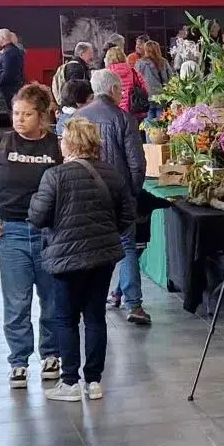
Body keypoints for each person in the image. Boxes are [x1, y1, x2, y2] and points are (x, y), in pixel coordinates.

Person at [27, 117, 135, 403]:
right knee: (95, 317)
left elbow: (37, 217)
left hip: (65, 259)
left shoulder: (55, 176)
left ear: (70, 143)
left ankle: (70, 381)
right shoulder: (113, 174)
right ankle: (95, 381)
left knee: (66, 319)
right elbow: (127, 216)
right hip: (103, 256)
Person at [0, 85, 67, 389]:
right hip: (11, 232)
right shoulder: (1, 144)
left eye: (27, 114)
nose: (19, 119)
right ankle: (18, 362)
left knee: (51, 299)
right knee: (16, 302)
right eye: (16, 113)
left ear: (42, 116)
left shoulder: (57, 147)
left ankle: (51, 355)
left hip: (49, 235)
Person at [83, 70, 154, 327]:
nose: (123, 93)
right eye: (121, 90)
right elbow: (137, 163)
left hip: (87, 196)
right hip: (119, 194)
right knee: (126, 246)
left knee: (92, 248)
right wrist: (132, 193)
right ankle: (133, 304)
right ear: (113, 90)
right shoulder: (124, 119)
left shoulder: (79, 117)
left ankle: (96, 298)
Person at [0, 29, 27, 109]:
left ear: (2, 38)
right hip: (16, 86)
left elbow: (6, 73)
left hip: (8, 89)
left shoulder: (7, 53)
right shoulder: (16, 51)